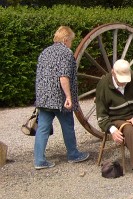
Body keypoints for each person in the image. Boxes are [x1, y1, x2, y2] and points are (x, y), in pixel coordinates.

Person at [33, 26, 90, 169]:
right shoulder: (66, 53)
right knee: (68, 126)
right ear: (65, 40)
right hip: (59, 98)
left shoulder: (45, 52)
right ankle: (73, 154)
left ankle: (39, 160)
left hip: (44, 97)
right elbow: (63, 77)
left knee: (43, 128)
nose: (72, 43)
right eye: (71, 40)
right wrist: (68, 97)